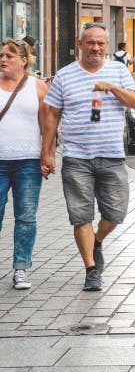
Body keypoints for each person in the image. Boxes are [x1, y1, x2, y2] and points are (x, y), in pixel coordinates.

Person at [41, 23, 135, 292]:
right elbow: (51, 113)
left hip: (112, 156)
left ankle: (98, 240)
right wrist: (48, 151)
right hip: (76, 158)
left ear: (107, 46)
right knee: (80, 216)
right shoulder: (64, 76)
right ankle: (91, 269)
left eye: (100, 43)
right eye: (90, 43)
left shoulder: (119, 71)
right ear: (80, 44)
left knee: (116, 214)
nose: (95, 48)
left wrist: (112, 88)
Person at [0, 39, 48, 290]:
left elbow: (47, 127)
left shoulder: (38, 88)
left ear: (23, 60)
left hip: (28, 163)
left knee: (26, 217)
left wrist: (47, 155)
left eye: (9, 56)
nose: (3, 60)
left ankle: (21, 268)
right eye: (1, 55)